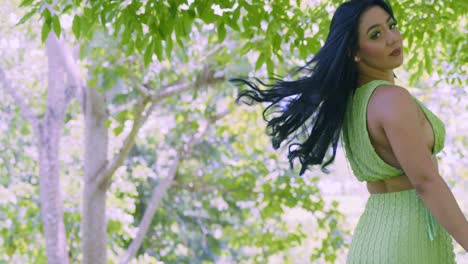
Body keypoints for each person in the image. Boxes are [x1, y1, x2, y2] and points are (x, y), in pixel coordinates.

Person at [230, 0, 468, 262]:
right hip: (407, 243)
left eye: (392, 26)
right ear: (354, 51)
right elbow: (426, 182)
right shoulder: (391, 99)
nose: (392, 38)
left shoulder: (352, 104)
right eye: (376, 34)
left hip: (371, 241)